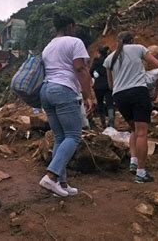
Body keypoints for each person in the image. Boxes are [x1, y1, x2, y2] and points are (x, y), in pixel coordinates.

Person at [38, 14, 94, 197]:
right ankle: (51, 177)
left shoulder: (48, 46)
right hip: (63, 90)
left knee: (60, 137)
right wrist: (88, 95)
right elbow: (80, 69)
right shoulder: (74, 42)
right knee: (73, 135)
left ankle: (60, 184)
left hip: (46, 91)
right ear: (71, 26)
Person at [104, 31, 158, 183]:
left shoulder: (109, 58)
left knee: (134, 129)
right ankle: (141, 173)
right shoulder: (139, 48)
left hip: (119, 96)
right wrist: (155, 91)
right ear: (132, 40)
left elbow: (111, 85)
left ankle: (133, 161)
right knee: (142, 132)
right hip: (138, 92)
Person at [90, 45, 115, 128]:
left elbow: (91, 71)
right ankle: (111, 122)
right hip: (108, 84)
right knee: (110, 103)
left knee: (100, 103)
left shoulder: (96, 61)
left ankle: (103, 122)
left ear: (99, 52)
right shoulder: (110, 60)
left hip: (98, 86)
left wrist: (95, 78)